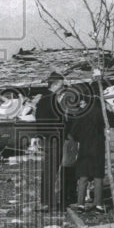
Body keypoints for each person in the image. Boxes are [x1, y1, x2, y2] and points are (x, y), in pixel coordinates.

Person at [66, 81, 109, 213]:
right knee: (98, 176)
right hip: (98, 146)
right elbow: (109, 123)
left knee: (83, 176)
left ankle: (80, 204)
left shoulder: (82, 112)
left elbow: (74, 132)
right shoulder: (101, 110)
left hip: (85, 146)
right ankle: (99, 204)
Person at [34, 72, 68, 216]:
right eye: (61, 84)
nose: (63, 87)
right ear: (54, 85)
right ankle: (48, 203)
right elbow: (59, 122)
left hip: (47, 139)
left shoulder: (43, 100)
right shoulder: (51, 100)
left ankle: (46, 201)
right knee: (51, 172)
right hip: (54, 140)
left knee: (48, 171)